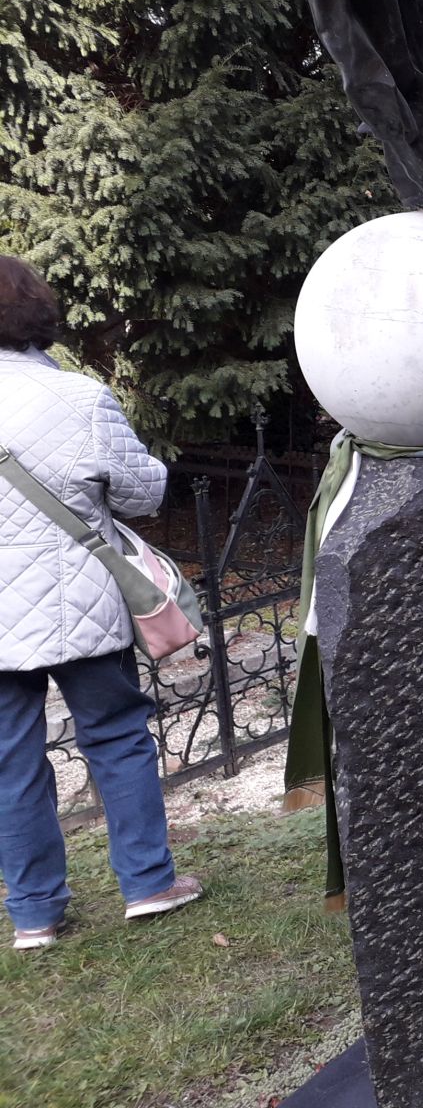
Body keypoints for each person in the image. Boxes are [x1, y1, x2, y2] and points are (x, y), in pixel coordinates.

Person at [0, 256, 203, 951]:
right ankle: (147, 883)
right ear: (38, 313)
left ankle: (34, 914)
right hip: (80, 601)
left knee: (9, 761)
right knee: (115, 735)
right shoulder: (80, 398)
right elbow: (143, 494)